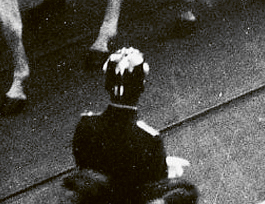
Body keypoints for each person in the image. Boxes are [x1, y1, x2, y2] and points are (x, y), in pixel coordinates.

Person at [65, 49, 197, 204]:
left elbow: (86, 165)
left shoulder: (85, 124)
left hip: (96, 197)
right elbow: (153, 184)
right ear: (141, 86)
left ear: (108, 84)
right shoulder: (149, 138)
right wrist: (165, 164)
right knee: (186, 190)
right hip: (131, 199)